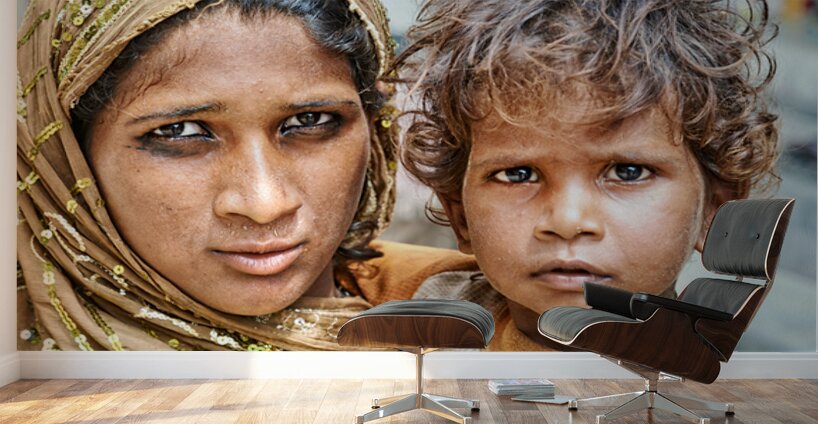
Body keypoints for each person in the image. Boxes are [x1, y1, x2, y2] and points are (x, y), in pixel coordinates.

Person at [16, 0, 477, 351]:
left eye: (310, 121)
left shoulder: (486, 315)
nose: (264, 203)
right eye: (179, 132)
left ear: (374, 125)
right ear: (65, 154)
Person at [397, 0, 780, 350]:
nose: (567, 222)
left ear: (716, 213)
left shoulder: (720, 389)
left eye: (628, 172)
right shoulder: (422, 323)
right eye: (517, 174)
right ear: (459, 216)